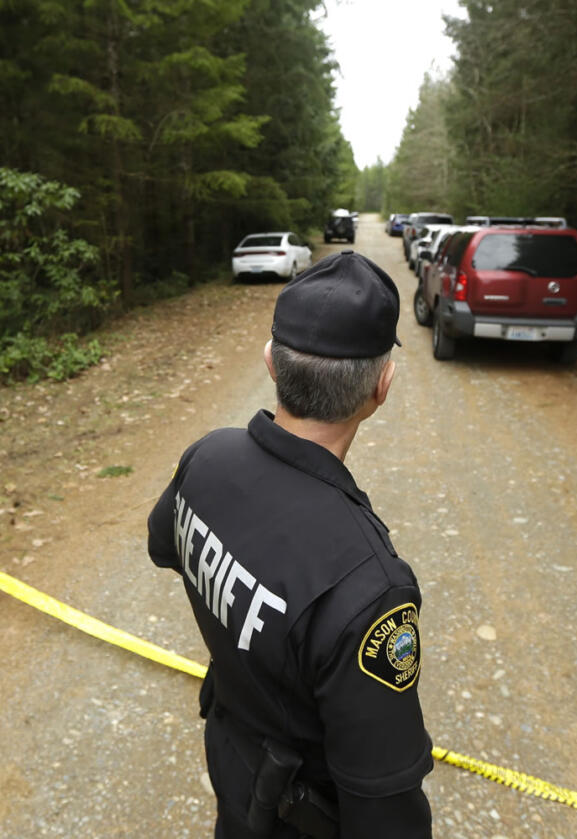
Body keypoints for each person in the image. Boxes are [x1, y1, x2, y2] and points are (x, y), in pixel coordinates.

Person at [147, 250, 433, 838]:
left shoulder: (209, 456)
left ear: (271, 363)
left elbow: (163, 546)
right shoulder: (370, 588)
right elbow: (385, 809)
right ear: (384, 384)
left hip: (234, 764)